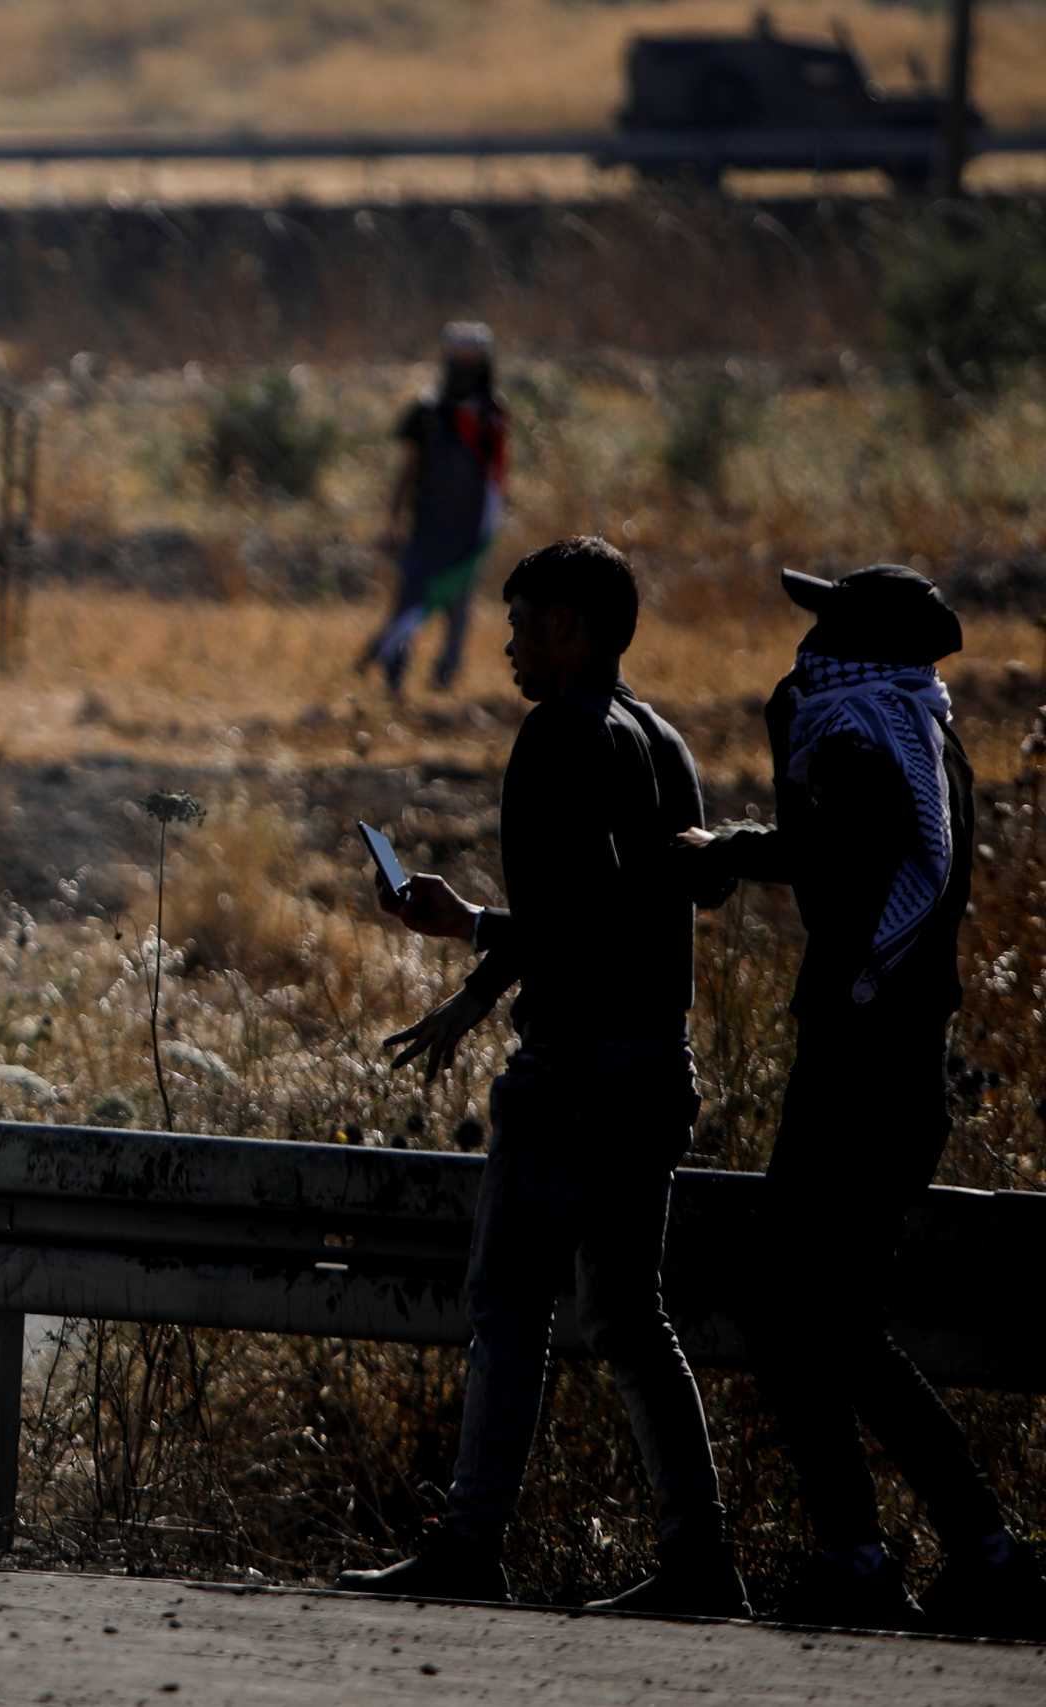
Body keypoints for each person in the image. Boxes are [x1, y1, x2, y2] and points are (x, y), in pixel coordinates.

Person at [337, 537, 746, 1616]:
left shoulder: (554, 737)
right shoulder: (661, 742)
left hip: (571, 1071)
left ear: (569, 625)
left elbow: (572, 926)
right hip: (656, 1062)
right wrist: (470, 928)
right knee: (629, 1316)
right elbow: (621, 914)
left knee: (508, 1302)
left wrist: (473, 992)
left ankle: (470, 1544)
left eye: (521, 624)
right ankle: (701, 1559)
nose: (509, 645)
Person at [675, 567, 1046, 1637]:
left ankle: (887, 1557)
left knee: (800, 1319)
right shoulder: (917, 727)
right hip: (892, 1060)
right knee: (825, 1323)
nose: (806, 646)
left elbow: (849, 852)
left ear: (855, 642)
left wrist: (731, 850)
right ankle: (962, 1555)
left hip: (862, 1062)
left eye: (827, 624)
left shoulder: (851, 728)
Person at [358, 323, 510, 696]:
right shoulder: (427, 413)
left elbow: (498, 475)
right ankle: (391, 673)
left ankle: (443, 681)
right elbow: (407, 471)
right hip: (426, 528)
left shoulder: (491, 416)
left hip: (468, 530)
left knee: (458, 607)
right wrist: (394, 520)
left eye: (472, 362)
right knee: (409, 603)